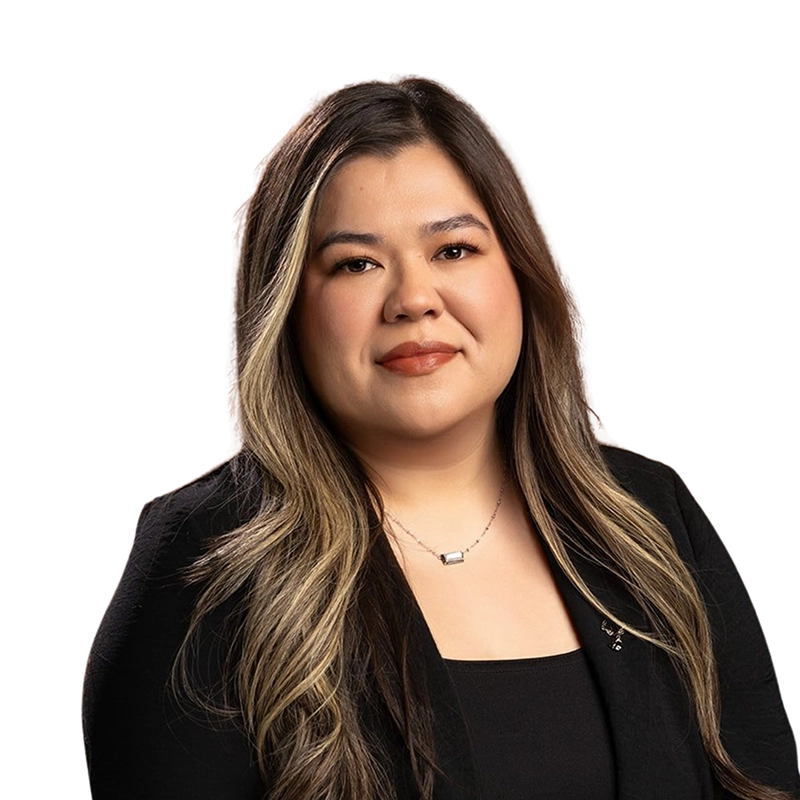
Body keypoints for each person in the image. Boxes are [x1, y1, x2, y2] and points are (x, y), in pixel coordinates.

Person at [82, 78, 799, 800]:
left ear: (520, 272)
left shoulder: (649, 518)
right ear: (288, 307)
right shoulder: (205, 565)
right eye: (356, 263)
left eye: (454, 250)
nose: (414, 299)